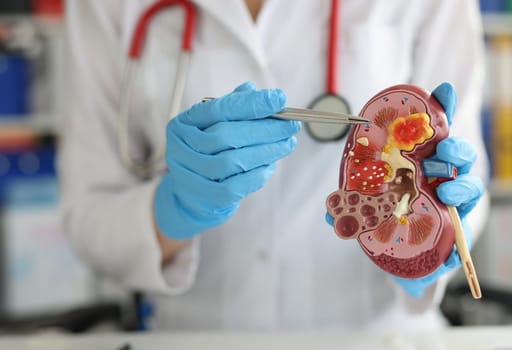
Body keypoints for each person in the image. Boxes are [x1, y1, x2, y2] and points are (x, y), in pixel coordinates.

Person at [59, 0, 489, 331]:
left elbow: (466, 178)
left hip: (377, 334)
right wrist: (174, 210)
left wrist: (429, 246)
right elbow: (87, 216)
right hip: (193, 334)